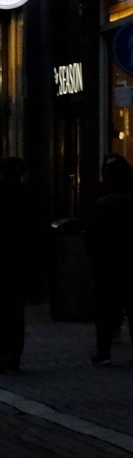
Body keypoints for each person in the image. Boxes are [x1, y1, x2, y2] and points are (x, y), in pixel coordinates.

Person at [0, 154, 39, 375]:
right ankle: (14, 353)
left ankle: (6, 351)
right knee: (16, 312)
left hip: (0, 265)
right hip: (21, 265)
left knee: (2, 312)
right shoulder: (29, 196)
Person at [85, 150, 133, 366]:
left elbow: (93, 238)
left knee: (105, 311)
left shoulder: (103, 204)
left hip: (108, 266)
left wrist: (94, 262)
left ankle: (103, 351)